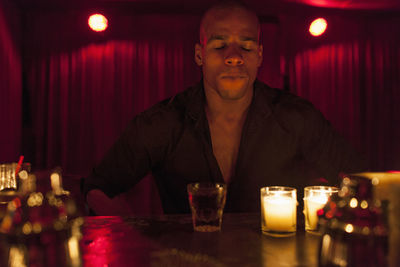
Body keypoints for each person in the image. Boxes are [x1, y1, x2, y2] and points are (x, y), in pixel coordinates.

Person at [82, 1, 366, 215]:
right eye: (219, 46)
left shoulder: (298, 118)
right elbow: (96, 190)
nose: (234, 58)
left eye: (246, 46)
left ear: (259, 56)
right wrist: (141, 241)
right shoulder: (161, 123)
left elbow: (359, 182)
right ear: (199, 55)